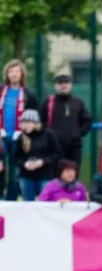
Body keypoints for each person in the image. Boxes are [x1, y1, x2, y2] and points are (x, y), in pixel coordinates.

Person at [38, 159, 87, 271]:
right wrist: (56, 204)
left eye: (72, 170)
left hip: (73, 229)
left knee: (73, 258)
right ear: (60, 172)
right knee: (59, 257)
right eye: (67, 171)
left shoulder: (80, 187)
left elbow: (85, 205)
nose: (70, 173)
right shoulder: (51, 186)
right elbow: (40, 204)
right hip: (56, 228)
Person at [0, 59, 38, 200]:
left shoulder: (29, 94)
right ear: (7, 74)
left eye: (17, 71)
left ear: (22, 74)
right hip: (1, 135)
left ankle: (11, 199)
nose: (14, 74)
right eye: (11, 71)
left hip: (20, 137)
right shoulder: (1, 91)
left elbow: (34, 116)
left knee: (15, 170)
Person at [39, 74, 92, 173]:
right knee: (55, 174)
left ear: (70, 85)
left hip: (74, 146)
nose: (63, 85)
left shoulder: (77, 102)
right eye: (60, 83)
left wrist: (78, 133)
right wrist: (49, 136)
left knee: (73, 173)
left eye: (66, 83)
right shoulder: (48, 102)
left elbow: (87, 120)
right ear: (55, 86)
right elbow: (40, 121)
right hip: (54, 147)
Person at [13, 110, 61, 201]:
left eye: (26, 122)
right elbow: (16, 157)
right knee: (28, 204)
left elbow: (57, 153)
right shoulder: (21, 137)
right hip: (26, 176)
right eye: (22, 122)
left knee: (45, 203)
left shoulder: (48, 134)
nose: (24, 125)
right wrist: (24, 164)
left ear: (35, 123)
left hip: (45, 175)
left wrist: (43, 161)